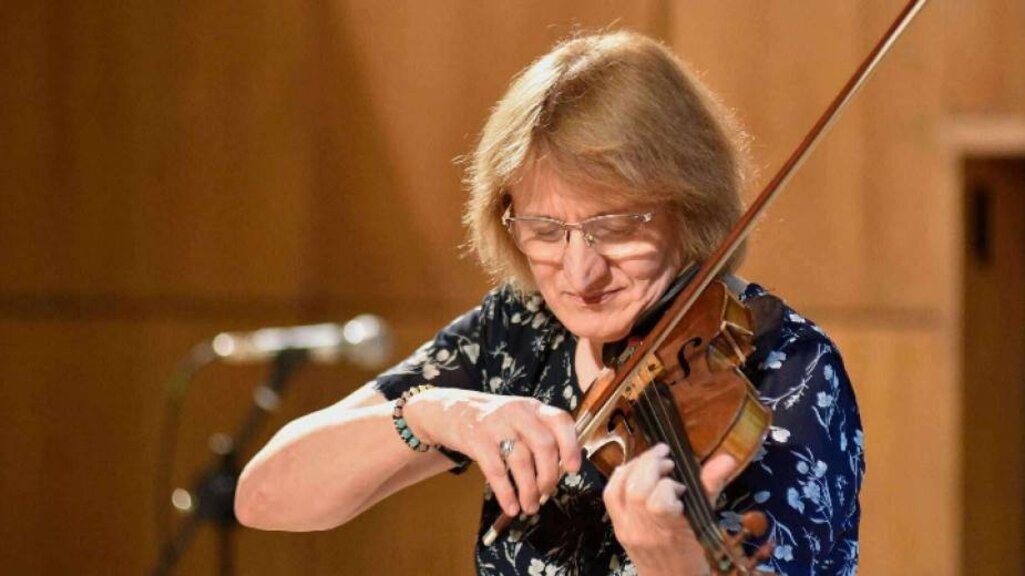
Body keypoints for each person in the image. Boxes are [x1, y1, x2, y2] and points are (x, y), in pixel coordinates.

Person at [235, 31, 864, 576]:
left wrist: (675, 564)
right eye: (544, 230)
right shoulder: (522, 328)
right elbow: (262, 498)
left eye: (615, 227)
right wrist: (433, 413)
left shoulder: (788, 367)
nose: (580, 272)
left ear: (690, 207)